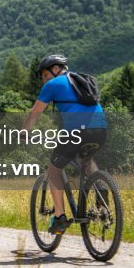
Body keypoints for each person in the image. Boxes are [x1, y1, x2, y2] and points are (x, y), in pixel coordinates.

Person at [22, 54, 108, 235]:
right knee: (86, 158)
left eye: (45, 75)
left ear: (55, 69)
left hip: (76, 131)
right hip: (100, 129)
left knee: (53, 169)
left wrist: (24, 132)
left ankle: (60, 217)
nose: (44, 80)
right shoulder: (82, 81)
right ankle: (101, 189)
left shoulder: (53, 84)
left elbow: (35, 113)